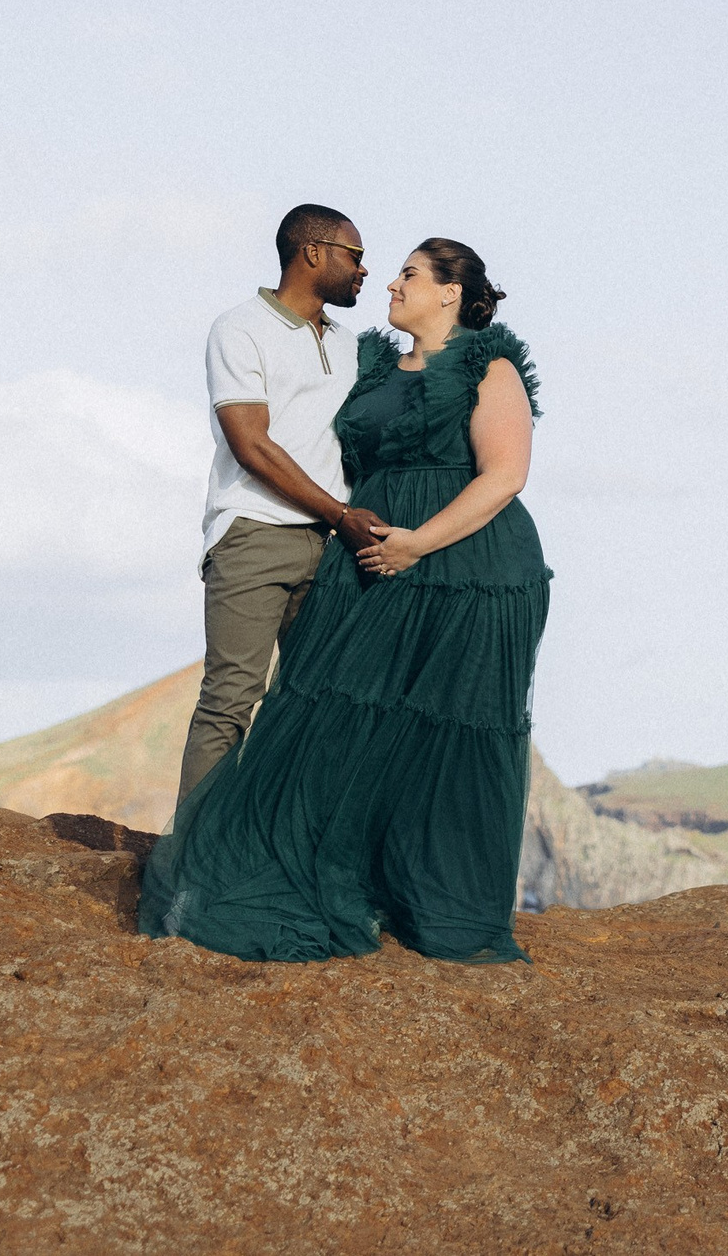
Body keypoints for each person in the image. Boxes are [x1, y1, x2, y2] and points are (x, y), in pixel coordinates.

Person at [140, 237, 548, 963]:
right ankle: (256, 867)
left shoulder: (491, 364)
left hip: (471, 566)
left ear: (451, 291)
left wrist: (418, 542)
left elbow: (506, 474)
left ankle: (442, 903)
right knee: (350, 710)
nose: (390, 281)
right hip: (370, 556)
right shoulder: (372, 362)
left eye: (410, 273)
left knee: (454, 728)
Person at [179, 204, 386, 802]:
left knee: (316, 703)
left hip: (332, 549)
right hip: (255, 534)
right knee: (229, 703)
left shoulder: (351, 346)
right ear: (313, 252)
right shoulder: (240, 328)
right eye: (356, 255)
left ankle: (278, 861)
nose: (365, 271)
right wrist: (341, 514)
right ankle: (193, 869)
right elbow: (251, 445)